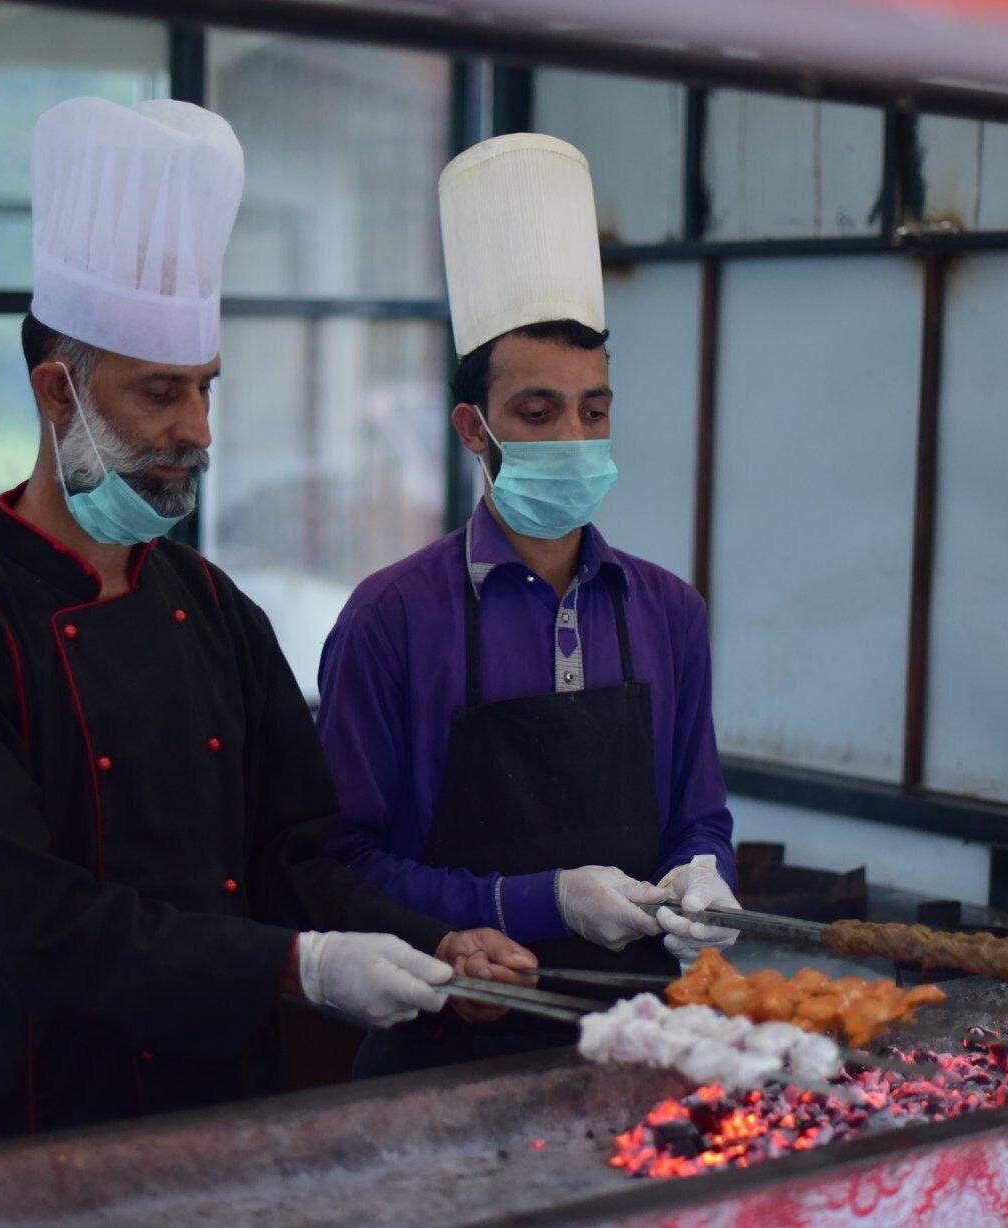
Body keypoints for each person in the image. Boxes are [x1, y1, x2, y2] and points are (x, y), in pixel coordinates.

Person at [0, 98, 524, 1157]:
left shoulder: (211, 607)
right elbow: (25, 927)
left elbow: (294, 855)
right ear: (56, 392)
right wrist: (295, 966)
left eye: (206, 391)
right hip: (2, 1135)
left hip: (211, 1117)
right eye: (159, 394)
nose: (197, 432)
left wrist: (432, 941)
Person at [316, 133, 744, 1077]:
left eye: (595, 410)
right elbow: (342, 866)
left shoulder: (668, 612)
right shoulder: (392, 619)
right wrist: (541, 901)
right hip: (439, 1054)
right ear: (474, 429)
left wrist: (708, 874)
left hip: (634, 1052)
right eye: (539, 413)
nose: (576, 439)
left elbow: (698, 817)